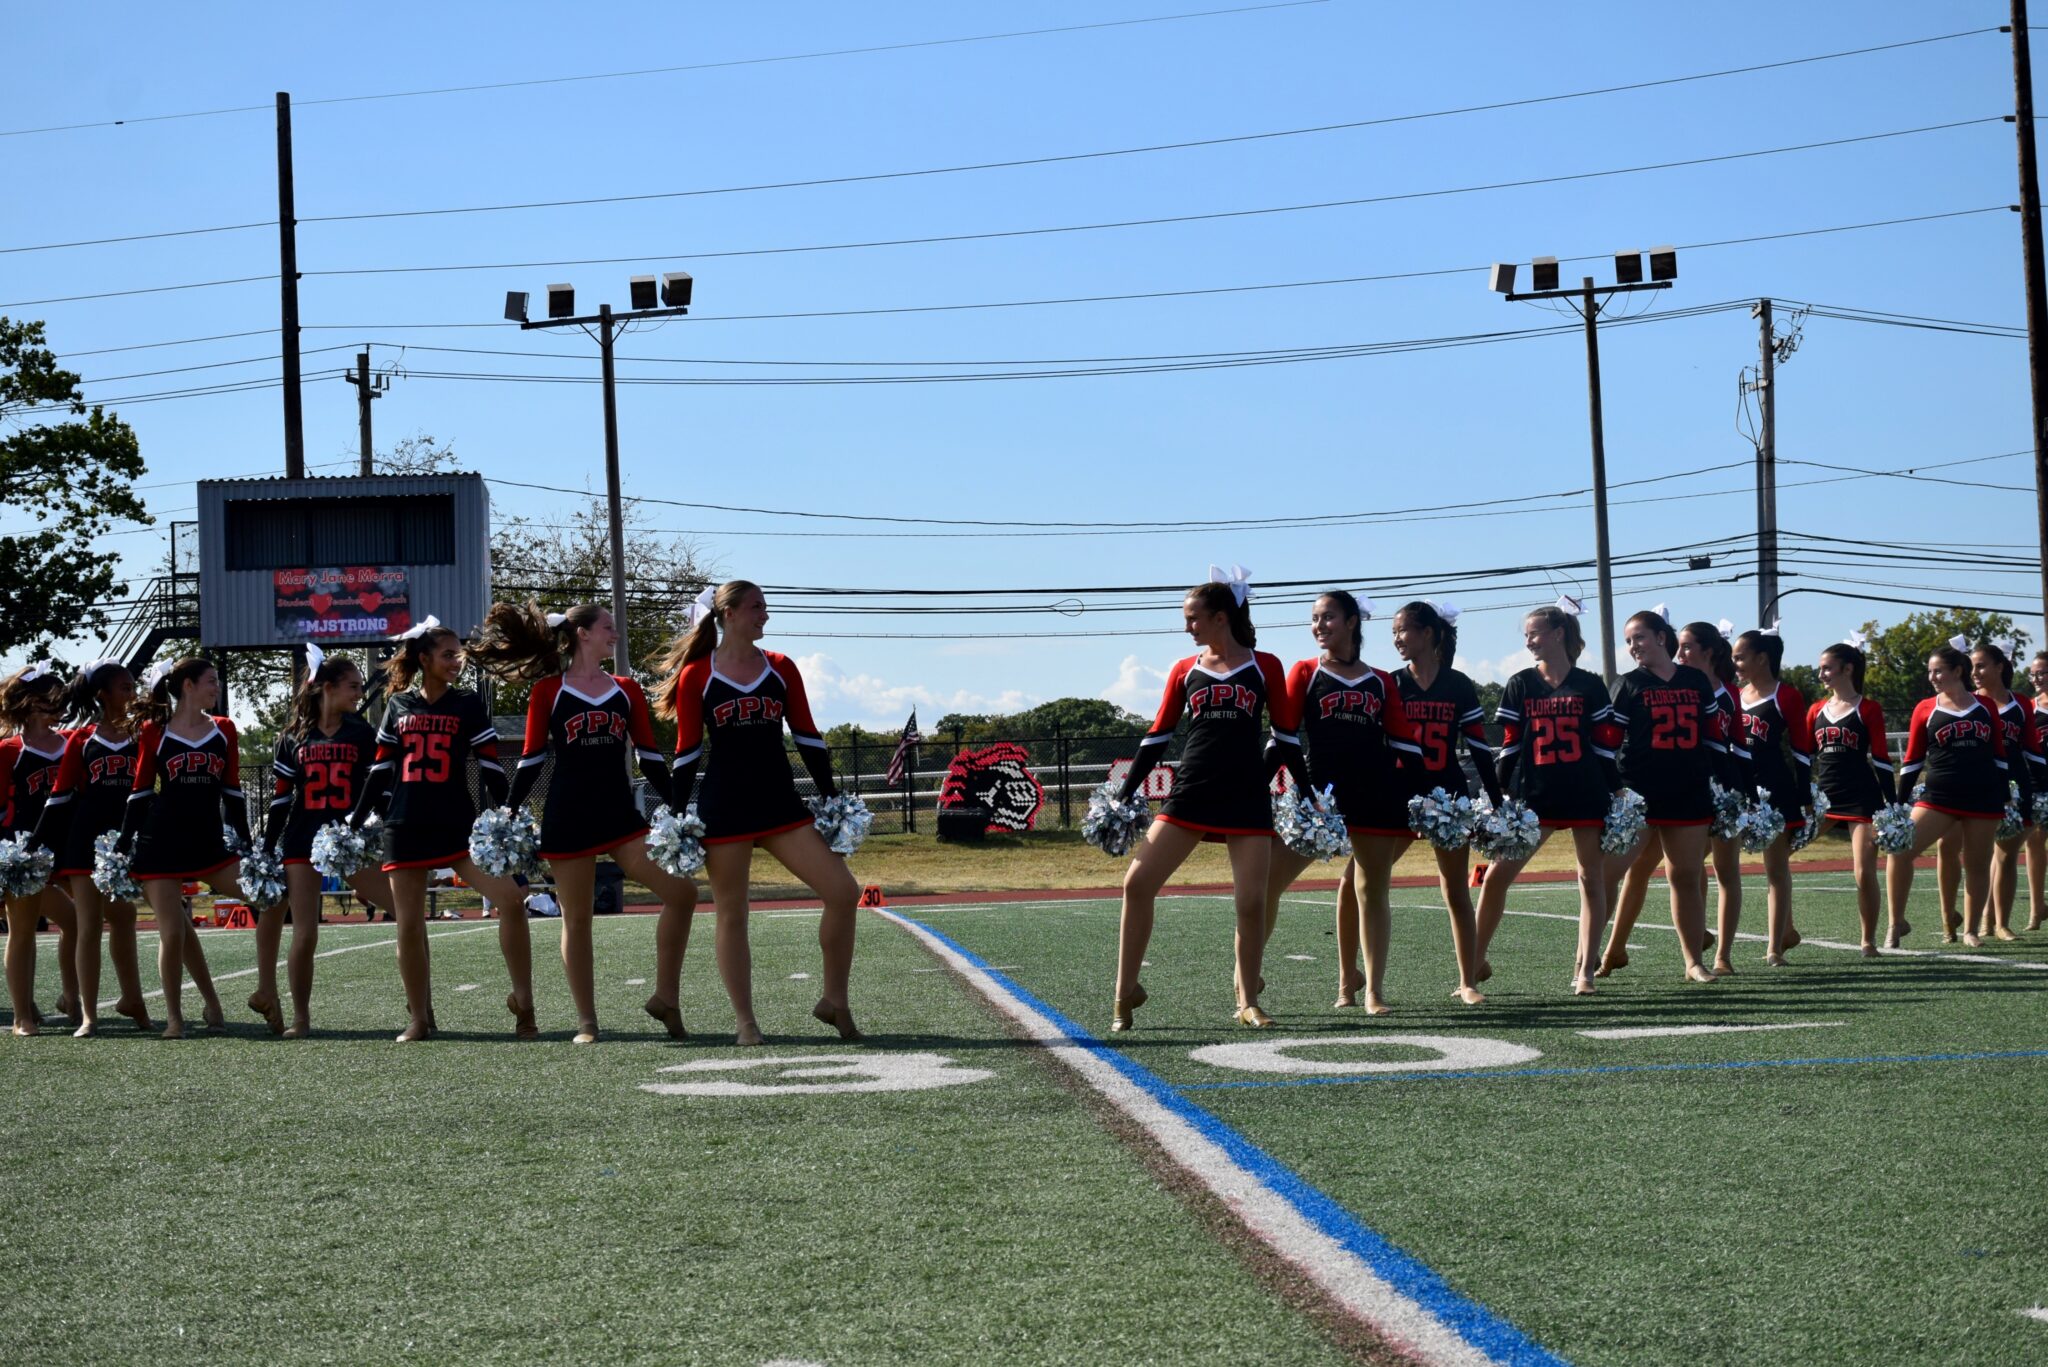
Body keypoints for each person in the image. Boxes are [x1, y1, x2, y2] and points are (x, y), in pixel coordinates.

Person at [474, 601, 699, 1044]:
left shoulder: (626, 689)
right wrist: (510, 809)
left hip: (619, 814)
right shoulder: (548, 691)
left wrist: (676, 802)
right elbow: (531, 758)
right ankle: (587, 1022)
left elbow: (648, 753)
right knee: (576, 920)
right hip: (569, 815)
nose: (616, 634)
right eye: (608, 627)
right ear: (583, 633)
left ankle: (666, 996)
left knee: (683, 893)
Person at [656, 581, 862, 1045]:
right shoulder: (697, 675)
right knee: (732, 913)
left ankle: (834, 999)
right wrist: (676, 812)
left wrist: (830, 795)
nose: (764, 615)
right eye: (756, 607)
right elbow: (687, 751)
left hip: (779, 804)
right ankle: (745, 1023)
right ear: (728, 614)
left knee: (843, 891)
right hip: (724, 808)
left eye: (765, 608)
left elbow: (807, 735)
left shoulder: (781, 667)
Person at [1108, 569, 1307, 1030]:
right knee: (1137, 883)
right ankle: (1125, 991)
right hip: (1192, 790)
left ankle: (1247, 1001)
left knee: (1251, 901)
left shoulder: (1265, 665)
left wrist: (1310, 792)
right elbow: (1158, 735)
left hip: (1246, 793)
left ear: (1221, 617)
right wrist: (1125, 791)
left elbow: (1285, 736)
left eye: (1193, 618)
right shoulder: (1185, 669)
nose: (1187, 627)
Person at [346, 619, 536, 1043]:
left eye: (459, 655)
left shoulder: (467, 703)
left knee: (511, 900)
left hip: (455, 823)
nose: (457, 661)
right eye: (448, 654)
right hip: (405, 824)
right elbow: (380, 770)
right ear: (424, 658)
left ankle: (524, 1002)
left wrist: (508, 810)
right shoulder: (398, 705)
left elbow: (489, 765)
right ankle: (419, 1016)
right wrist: (354, 822)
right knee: (409, 925)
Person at [1261, 591, 1426, 1016]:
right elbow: (1283, 735)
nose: (1319, 626)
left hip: (1374, 794)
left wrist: (1422, 793)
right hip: (1319, 797)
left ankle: (1373, 991)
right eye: (1315, 619)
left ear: (1352, 622)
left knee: (1372, 890)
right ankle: (1249, 974)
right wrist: (1260, 783)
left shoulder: (1380, 680)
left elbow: (1405, 742)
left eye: (1328, 617)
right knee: (1267, 883)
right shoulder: (1305, 671)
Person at [1474, 599, 1623, 995]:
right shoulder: (1520, 683)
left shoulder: (1589, 684)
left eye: (1535, 634)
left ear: (1558, 634)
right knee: (1496, 877)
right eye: (1526, 635)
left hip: (1585, 790)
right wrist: (1499, 790)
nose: (1529, 641)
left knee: (1591, 878)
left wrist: (1616, 789)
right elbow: (1510, 743)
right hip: (1536, 794)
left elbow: (1603, 744)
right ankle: (1473, 961)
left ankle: (1584, 971)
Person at [258, 648, 396, 1037]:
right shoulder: (292, 736)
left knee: (406, 913)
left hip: (349, 840)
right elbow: (281, 799)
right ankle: (301, 1019)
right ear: (328, 688)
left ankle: (422, 1008)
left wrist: (388, 830)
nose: (359, 693)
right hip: (302, 839)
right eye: (353, 686)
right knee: (305, 933)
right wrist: (268, 848)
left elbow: (378, 789)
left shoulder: (362, 733)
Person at [1597, 610, 1740, 985]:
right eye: (1628, 641)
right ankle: (1586, 960)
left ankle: (1693, 962)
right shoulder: (1627, 683)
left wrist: (1727, 785)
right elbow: (1608, 743)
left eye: (1639, 637)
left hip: (1688, 789)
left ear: (1662, 638)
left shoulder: (1695, 680)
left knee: (1686, 876)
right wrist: (1611, 789)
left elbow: (1713, 736)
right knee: (1607, 873)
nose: (1633, 646)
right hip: (1639, 793)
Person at [116, 658, 243, 1039]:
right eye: (211, 681)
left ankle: (243, 997)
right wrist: (124, 843)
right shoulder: (154, 731)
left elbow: (233, 790)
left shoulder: (223, 728)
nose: (217, 687)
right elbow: (140, 791)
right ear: (188, 685)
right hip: (161, 841)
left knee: (272, 900)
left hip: (208, 841)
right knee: (173, 932)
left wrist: (249, 844)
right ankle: (175, 1018)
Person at [1383, 598, 1499, 1005]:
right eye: (1393, 632)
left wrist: (1496, 798)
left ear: (1428, 633)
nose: (1396, 639)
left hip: (1447, 796)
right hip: (1400, 794)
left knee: (1455, 890)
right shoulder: (1390, 683)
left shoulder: (1458, 684)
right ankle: (1354, 981)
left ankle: (1468, 982)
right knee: (1363, 882)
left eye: (1403, 630)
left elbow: (1479, 746)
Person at [30, 661, 152, 1035]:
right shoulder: (82, 740)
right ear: (103, 694)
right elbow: (59, 795)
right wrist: (33, 844)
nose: (133, 694)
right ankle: (89, 1015)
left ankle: (133, 1000)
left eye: (133, 687)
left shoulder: (144, 734)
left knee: (126, 917)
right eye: (125, 688)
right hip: (85, 840)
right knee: (89, 925)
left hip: (128, 838)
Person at [1885, 641, 2008, 947]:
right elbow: (1912, 760)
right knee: (1900, 850)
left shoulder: (1985, 706)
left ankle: (1971, 931)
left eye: (1938, 671)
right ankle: (1896, 922)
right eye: (1930, 672)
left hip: (1983, 796)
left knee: (1977, 865)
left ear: (1957, 671)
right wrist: (1899, 802)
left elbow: (1998, 754)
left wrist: (2006, 794)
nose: (1932, 677)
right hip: (1939, 797)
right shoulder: (1925, 708)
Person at [1807, 638, 1899, 955]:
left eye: (1827, 668)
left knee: (1863, 871)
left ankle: (1867, 940)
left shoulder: (1868, 708)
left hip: (1861, 797)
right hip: (1825, 797)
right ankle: (1785, 931)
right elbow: (1805, 756)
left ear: (1847, 669)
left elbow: (1882, 758)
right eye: (1820, 668)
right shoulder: (1816, 710)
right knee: (1781, 854)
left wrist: (1892, 803)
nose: (1821, 674)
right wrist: (1801, 794)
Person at [2, 665, 78, 1034]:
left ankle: (70, 996)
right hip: (24, 854)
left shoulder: (73, 743)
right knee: (22, 929)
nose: (62, 710)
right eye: (54, 702)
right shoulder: (9, 750)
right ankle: (22, 1015)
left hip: (65, 849)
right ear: (32, 704)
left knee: (76, 922)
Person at [1676, 619, 1753, 976]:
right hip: (1688, 786)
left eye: (1686, 647)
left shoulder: (1731, 693)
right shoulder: (1678, 687)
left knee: (1727, 869)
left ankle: (1723, 955)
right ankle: (1696, 948)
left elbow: (1739, 743)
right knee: (1688, 869)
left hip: (1725, 787)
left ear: (1708, 651)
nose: (1679, 654)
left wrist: (1748, 793)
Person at [1732, 627, 1812, 964]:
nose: (1735, 663)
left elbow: (1801, 750)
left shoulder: (1787, 695)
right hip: (1738, 790)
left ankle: (1774, 947)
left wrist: (1805, 794)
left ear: (1762, 658)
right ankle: (1786, 931)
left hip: (1775, 790)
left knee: (1775, 869)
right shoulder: (1734, 695)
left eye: (1740, 657)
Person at [1963, 640, 2042, 942]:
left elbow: (2031, 749)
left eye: (1981, 666)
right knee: (1979, 858)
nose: (1975, 672)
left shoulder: (2020, 703)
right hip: (1980, 786)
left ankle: (2001, 924)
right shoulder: (1969, 702)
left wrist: (2042, 786)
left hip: (2017, 787)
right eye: (1971, 667)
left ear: (1999, 667)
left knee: (2007, 856)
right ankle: (1971, 922)